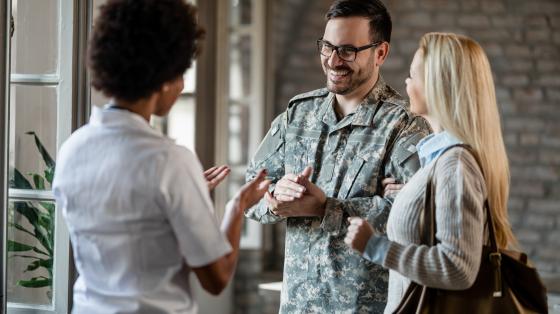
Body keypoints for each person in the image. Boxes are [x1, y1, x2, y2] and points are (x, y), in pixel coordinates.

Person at [52, 1, 270, 313]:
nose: (182, 86)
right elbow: (217, 277)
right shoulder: (169, 161)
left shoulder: (73, 148)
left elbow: (124, 234)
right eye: (182, 73)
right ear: (164, 75)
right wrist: (237, 207)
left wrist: (184, 196)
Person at [245, 0, 431, 312]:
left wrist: (326, 208)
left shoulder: (405, 126)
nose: (333, 60)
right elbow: (250, 192)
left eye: (347, 50)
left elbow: (419, 220)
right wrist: (275, 199)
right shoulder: (297, 114)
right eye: (327, 47)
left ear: (380, 53)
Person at [345, 32, 517, 314]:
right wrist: (416, 198)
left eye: (413, 75)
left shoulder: (456, 164)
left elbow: (458, 268)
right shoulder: (445, 162)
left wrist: (374, 246)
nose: (406, 82)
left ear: (438, 86)